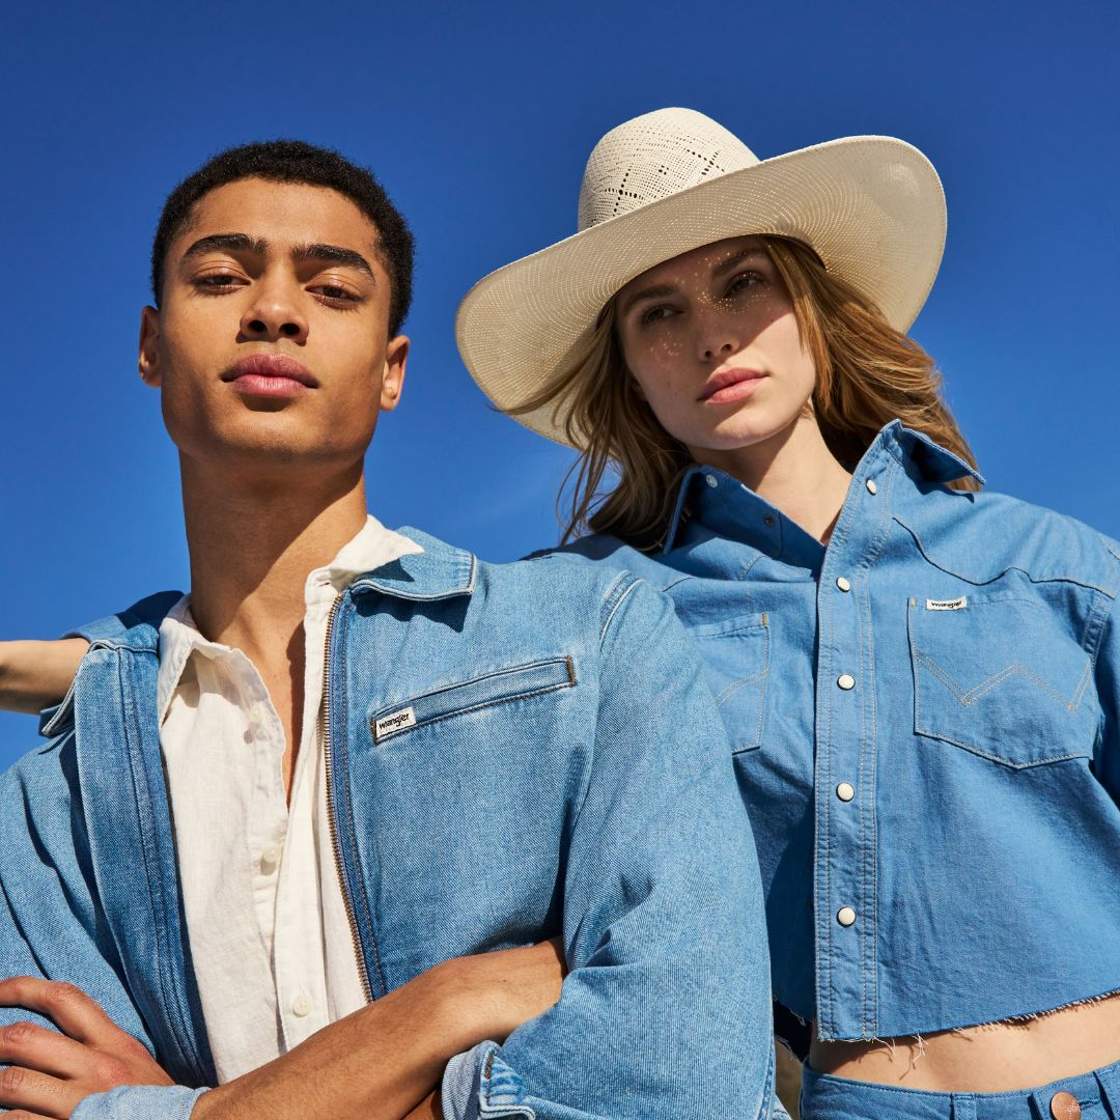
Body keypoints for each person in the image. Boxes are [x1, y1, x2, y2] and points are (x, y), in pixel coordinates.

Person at [0, 138, 777, 1120]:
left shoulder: (593, 633)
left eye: (331, 291)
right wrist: (440, 1008)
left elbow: (683, 1074)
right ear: (152, 344)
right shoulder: (50, 801)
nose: (274, 309)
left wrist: (187, 1110)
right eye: (222, 276)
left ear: (391, 368)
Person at [452, 108, 1120, 1119]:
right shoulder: (599, 615)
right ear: (625, 365)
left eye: (741, 282)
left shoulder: (1048, 566)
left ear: (808, 306)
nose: (711, 332)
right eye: (657, 312)